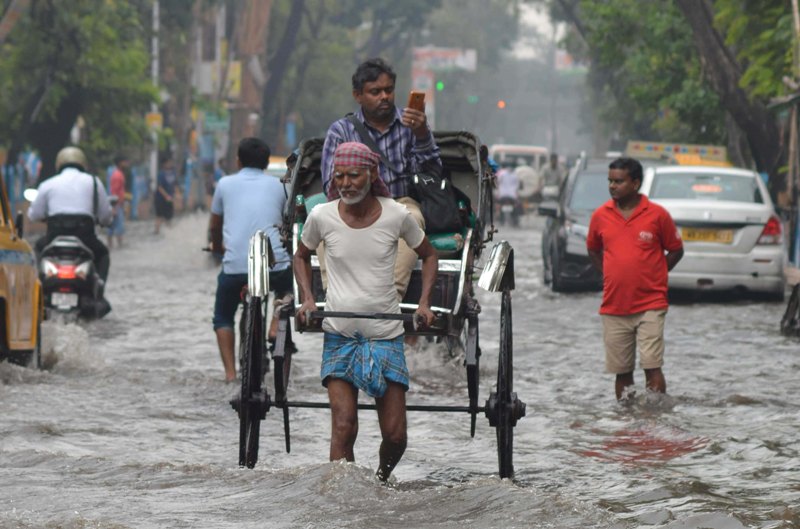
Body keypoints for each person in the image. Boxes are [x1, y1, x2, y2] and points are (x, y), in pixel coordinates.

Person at [294, 142, 438, 482]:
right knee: (344, 426)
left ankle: (380, 480)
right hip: (340, 336)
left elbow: (429, 255)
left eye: (354, 176)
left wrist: (424, 302)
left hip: (385, 337)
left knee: (396, 436)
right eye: (339, 176)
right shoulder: (321, 216)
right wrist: (307, 298)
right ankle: (343, 497)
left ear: (372, 175)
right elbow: (301, 255)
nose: (346, 183)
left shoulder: (396, 215)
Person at [320, 57, 441, 302]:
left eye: (388, 90)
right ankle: (334, 298)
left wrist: (422, 134)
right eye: (375, 92)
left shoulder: (410, 126)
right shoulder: (341, 131)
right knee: (323, 222)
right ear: (358, 95)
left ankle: (390, 299)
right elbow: (330, 184)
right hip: (351, 204)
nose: (384, 96)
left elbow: (431, 174)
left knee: (413, 218)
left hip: (399, 202)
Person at [586, 157, 684, 401]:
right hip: (614, 305)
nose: (612, 186)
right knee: (622, 372)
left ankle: (655, 419)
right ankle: (626, 422)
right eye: (610, 181)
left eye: (619, 181)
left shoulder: (657, 215)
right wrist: (607, 274)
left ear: (636, 183)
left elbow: (676, 249)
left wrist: (657, 274)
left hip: (651, 304)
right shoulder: (600, 215)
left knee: (652, 366)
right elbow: (593, 249)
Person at [209, 137, 293, 383]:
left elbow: (215, 225)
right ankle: (277, 320)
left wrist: (218, 249)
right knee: (287, 287)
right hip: (273, 267)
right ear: (267, 162)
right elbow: (287, 224)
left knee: (222, 317)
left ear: (237, 160)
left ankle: (230, 375)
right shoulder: (280, 186)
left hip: (235, 268)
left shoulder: (224, 184)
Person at [28, 146, 113, 282]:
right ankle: (99, 286)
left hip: (54, 236)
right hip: (85, 238)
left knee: (38, 248)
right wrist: (105, 222)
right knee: (103, 254)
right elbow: (105, 217)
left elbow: (33, 215)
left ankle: (38, 282)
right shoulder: (94, 182)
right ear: (83, 164)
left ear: (59, 164)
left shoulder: (47, 184)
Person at [107, 155, 129, 249]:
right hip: (116, 204)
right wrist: (114, 207)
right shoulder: (117, 175)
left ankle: (113, 245)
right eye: (125, 162)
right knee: (118, 225)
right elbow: (114, 191)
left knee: (113, 225)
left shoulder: (118, 173)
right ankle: (118, 245)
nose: (127, 164)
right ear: (120, 163)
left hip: (118, 204)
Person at [154, 155, 177, 235]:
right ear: (164, 164)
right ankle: (157, 232)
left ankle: (169, 233)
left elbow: (175, 185)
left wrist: (175, 196)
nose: (170, 163)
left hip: (170, 199)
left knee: (169, 217)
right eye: (168, 162)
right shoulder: (161, 174)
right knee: (159, 216)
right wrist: (167, 196)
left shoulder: (173, 173)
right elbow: (159, 187)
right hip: (160, 199)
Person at [495, 161, 521, 226]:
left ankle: (501, 221)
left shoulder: (502, 174)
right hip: (512, 196)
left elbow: (497, 183)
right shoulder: (516, 175)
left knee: (500, 206)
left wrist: (498, 192)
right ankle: (515, 222)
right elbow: (517, 187)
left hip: (502, 195)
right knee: (515, 207)